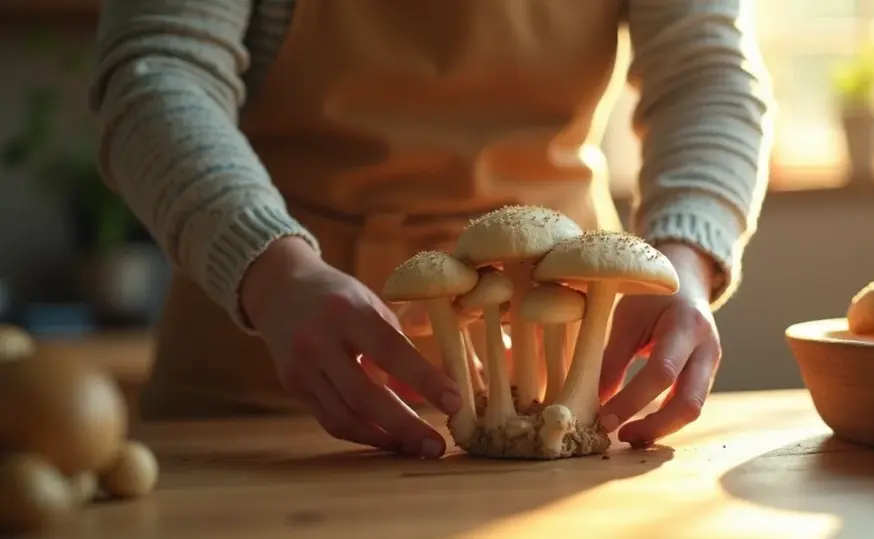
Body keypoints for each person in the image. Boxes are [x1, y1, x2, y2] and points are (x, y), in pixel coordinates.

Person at [90, 0, 773, 459]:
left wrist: (680, 263)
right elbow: (157, 70)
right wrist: (273, 271)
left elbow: (708, 75)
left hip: (572, 372)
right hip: (260, 362)